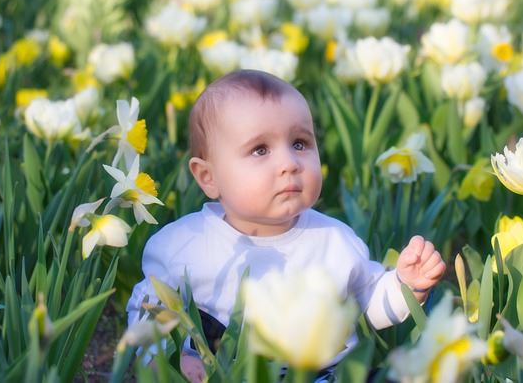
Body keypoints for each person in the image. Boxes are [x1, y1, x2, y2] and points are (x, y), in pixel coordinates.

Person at [126, 70, 446, 382]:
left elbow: (369, 303)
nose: (289, 164)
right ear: (208, 177)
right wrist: (164, 358)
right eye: (260, 149)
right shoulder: (185, 246)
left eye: (300, 143)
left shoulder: (333, 240)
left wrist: (407, 285)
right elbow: (148, 310)